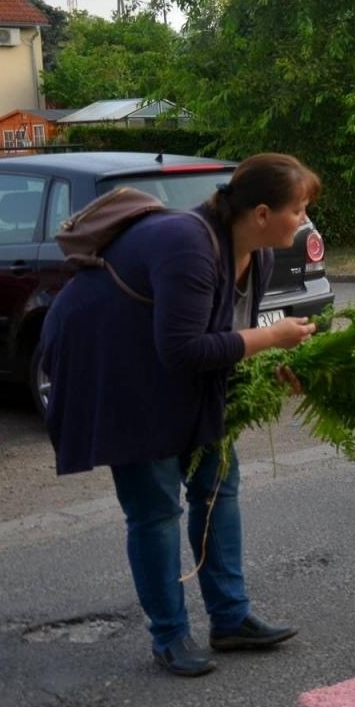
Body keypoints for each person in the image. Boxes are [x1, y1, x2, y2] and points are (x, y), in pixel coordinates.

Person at [40, 154, 321, 677]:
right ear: (262, 212)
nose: (304, 221)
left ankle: (231, 619)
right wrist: (270, 337)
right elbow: (185, 350)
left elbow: (228, 337)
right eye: (299, 210)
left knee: (218, 487)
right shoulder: (188, 244)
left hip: (170, 362)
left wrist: (274, 362)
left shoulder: (257, 255)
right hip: (116, 365)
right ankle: (169, 636)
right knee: (155, 508)